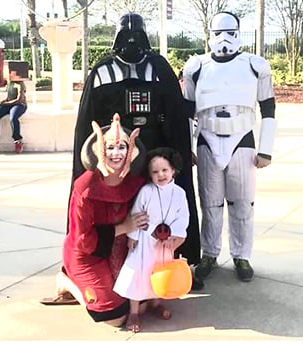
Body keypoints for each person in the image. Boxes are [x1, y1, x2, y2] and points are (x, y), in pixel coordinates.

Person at [71, 13, 201, 284]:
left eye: (136, 36)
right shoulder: (102, 70)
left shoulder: (160, 69)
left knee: (163, 209)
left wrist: (176, 153)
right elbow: (88, 123)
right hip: (115, 159)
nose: (131, 42)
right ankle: (107, 264)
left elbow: (174, 116)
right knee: (118, 212)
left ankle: (172, 261)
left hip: (153, 156)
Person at [182, 11, 277, 283]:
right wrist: (188, 145)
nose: (223, 39)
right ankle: (209, 253)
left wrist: (266, 149)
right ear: (209, 35)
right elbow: (187, 109)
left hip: (242, 140)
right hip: (207, 139)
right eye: (217, 33)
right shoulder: (196, 66)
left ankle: (241, 255)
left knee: (243, 203)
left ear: (238, 33)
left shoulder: (255, 65)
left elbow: (268, 107)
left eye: (230, 32)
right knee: (209, 204)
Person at [52, 113, 150, 326]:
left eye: (122, 147)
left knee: (142, 304)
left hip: (121, 249)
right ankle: (67, 282)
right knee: (114, 317)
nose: (116, 153)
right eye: (110, 148)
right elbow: (83, 240)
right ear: (99, 150)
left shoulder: (135, 182)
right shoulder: (85, 189)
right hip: (87, 255)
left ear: (130, 151)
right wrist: (124, 227)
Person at [114, 147, 189, 333]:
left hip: (165, 243)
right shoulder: (146, 192)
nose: (160, 175)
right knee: (139, 275)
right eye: (155, 172)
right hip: (145, 240)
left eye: (165, 170)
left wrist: (176, 237)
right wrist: (132, 236)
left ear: (173, 170)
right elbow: (136, 214)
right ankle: (134, 311)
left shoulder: (179, 193)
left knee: (159, 273)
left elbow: (183, 218)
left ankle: (156, 302)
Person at [0, 71, 27, 154]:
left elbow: (20, 99)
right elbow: (9, 97)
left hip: (20, 105)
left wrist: (6, 103)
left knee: (13, 118)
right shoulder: (9, 83)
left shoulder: (20, 83)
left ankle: (18, 141)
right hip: (9, 104)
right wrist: (3, 102)